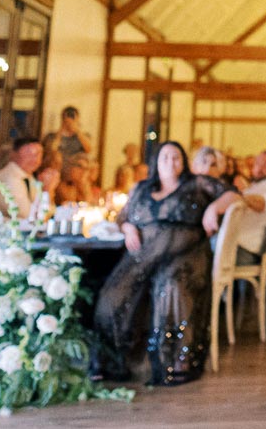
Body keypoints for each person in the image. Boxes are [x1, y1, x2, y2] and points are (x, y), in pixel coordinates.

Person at [93, 141, 240, 385]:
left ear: (183, 163)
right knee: (112, 294)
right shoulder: (141, 188)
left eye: (176, 158)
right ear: (156, 163)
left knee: (171, 286)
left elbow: (233, 195)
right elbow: (123, 216)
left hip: (186, 254)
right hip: (144, 255)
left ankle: (175, 360)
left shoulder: (197, 184)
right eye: (165, 158)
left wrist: (213, 207)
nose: (171, 162)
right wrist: (128, 227)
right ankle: (112, 360)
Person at [0, 136, 47, 218]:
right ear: (14, 154)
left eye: (38, 154)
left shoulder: (29, 178)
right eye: (29, 153)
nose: (34, 159)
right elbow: (28, 215)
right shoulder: (9, 178)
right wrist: (47, 190)